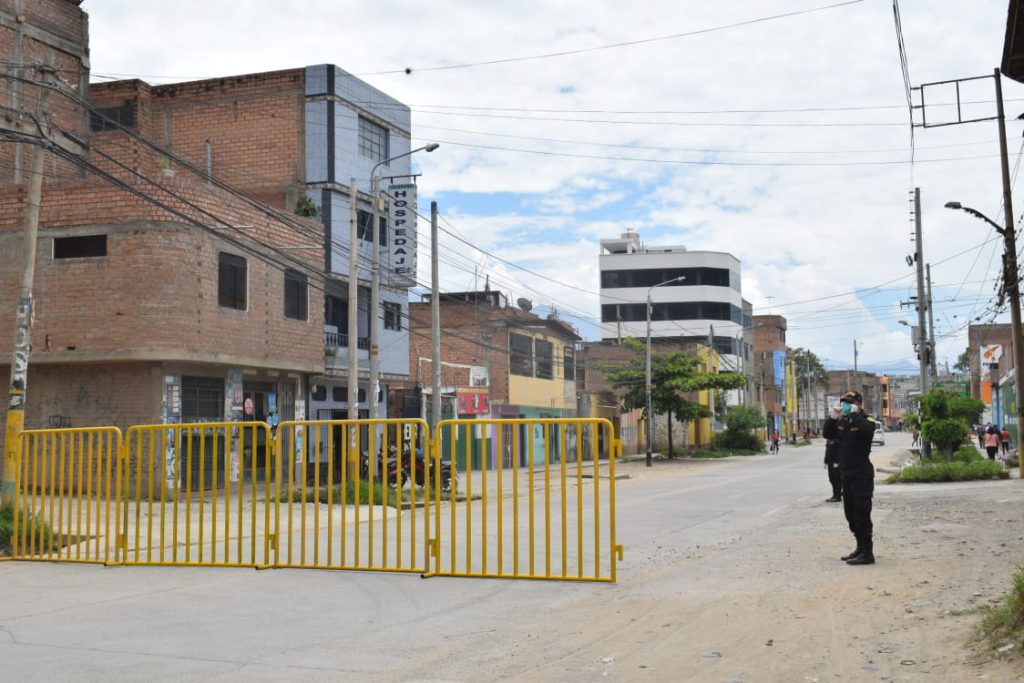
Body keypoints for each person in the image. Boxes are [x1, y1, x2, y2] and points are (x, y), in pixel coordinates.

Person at [823, 390, 878, 566]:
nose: (846, 404)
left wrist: (855, 414)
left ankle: (867, 552)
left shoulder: (866, 420)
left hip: (861, 474)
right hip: (846, 475)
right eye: (845, 402)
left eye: (850, 402)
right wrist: (832, 419)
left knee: (862, 513)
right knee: (851, 515)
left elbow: (868, 432)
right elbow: (828, 434)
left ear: (859, 403)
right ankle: (859, 547)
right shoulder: (844, 421)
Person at [824, 433, 841, 502]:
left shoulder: (837, 439)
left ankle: (837, 496)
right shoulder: (829, 440)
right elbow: (827, 452)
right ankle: (835, 495)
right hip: (830, 463)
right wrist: (825, 461)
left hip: (835, 463)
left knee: (836, 479)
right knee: (832, 479)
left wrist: (837, 462)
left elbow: (839, 452)